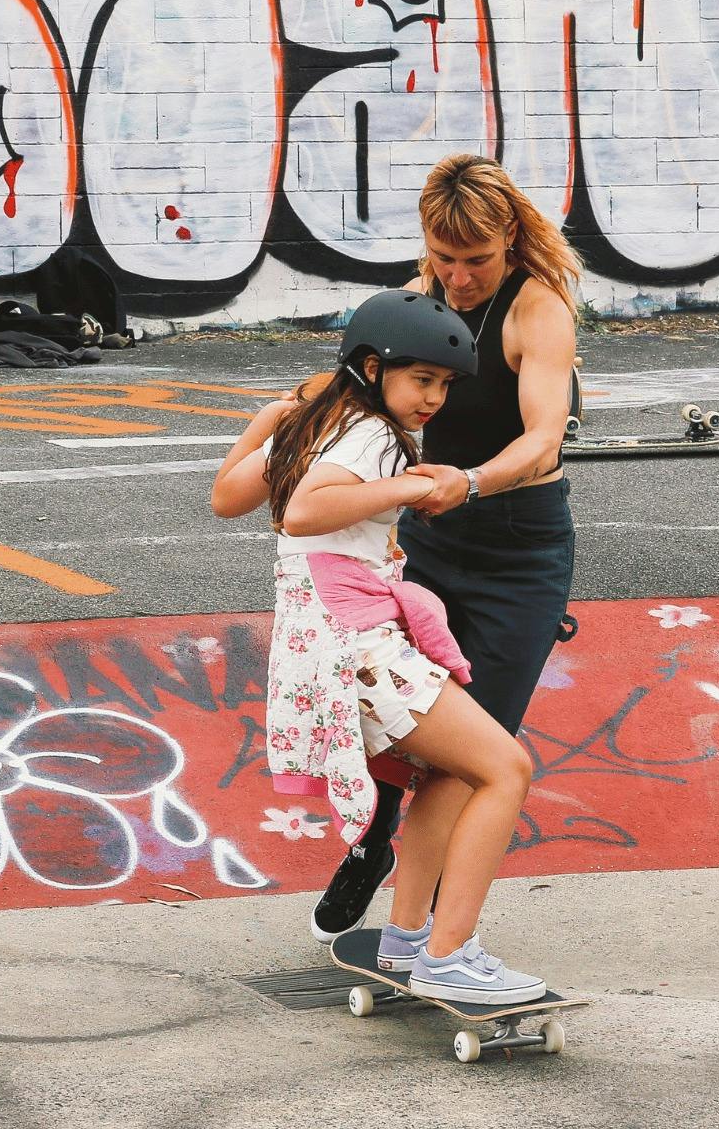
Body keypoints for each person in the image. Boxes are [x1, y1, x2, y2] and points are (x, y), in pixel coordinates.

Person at [210, 290, 547, 1004]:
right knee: (506, 770)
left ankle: (405, 941)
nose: (435, 399)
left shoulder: (320, 425)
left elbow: (227, 497)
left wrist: (273, 424)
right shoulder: (372, 435)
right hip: (359, 650)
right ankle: (450, 955)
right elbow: (304, 513)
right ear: (372, 366)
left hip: (327, 651)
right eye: (423, 379)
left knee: (453, 774)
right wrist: (405, 484)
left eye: (446, 385)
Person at [308, 155, 583, 942]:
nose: (459, 279)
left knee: (479, 747)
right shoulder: (417, 305)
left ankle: (428, 924)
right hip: (428, 539)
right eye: (444, 258)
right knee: (399, 718)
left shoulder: (538, 308)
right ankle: (376, 842)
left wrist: (470, 481)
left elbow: (540, 439)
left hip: (519, 547)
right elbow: (355, 401)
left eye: (477, 261)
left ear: (511, 241)